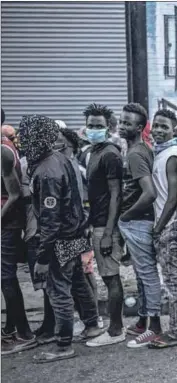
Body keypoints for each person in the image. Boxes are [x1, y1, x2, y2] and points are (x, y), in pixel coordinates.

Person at [19, 115, 99, 363]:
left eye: (26, 134)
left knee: (58, 291)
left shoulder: (46, 172)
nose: (23, 139)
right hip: (74, 233)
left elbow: (50, 219)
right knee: (78, 283)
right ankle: (92, 325)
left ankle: (63, 345)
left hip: (59, 240)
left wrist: (42, 257)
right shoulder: (60, 159)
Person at [115, 103, 164, 348]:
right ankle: (144, 320)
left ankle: (154, 327)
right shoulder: (139, 148)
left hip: (137, 222)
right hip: (138, 221)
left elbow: (149, 193)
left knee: (147, 275)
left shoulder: (135, 153)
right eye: (121, 121)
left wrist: (125, 216)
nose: (122, 126)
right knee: (142, 275)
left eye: (128, 122)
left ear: (140, 127)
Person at [82, 103, 126, 347]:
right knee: (107, 276)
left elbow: (115, 195)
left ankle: (116, 329)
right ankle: (115, 326)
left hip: (106, 226)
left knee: (111, 277)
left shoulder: (110, 154)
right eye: (90, 125)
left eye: (99, 126)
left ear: (109, 127)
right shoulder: (93, 152)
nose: (94, 129)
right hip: (97, 224)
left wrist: (108, 233)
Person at [147, 109, 177, 349]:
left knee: (173, 281)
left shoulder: (172, 156)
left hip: (171, 222)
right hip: (171, 222)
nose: (159, 130)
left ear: (174, 129)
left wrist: (159, 227)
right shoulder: (163, 153)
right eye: (157, 126)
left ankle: (175, 333)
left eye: (165, 126)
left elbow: (173, 197)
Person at [54, 127, 105, 334]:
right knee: (79, 276)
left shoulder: (72, 167)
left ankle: (91, 320)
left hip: (75, 230)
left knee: (82, 274)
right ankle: (91, 320)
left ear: (69, 144)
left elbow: (84, 202)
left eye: (58, 140)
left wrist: (85, 226)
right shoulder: (69, 165)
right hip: (77, 228)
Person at [1, 121, 37, 355]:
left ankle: (23, 333)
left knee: (6, 278)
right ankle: (10, 328)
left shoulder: (3, 152)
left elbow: (14, 194)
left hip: (7, 224)